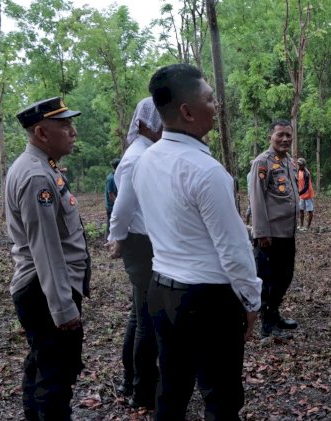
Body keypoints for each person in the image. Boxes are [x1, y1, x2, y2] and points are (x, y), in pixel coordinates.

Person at [132, 64, 261, 420]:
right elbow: (234, 250)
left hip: (162, 291)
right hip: (207, 300)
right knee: (220, 397)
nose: (215, 104)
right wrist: (251, 300)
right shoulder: (206, 172)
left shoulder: (146, 161)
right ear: (187, 112)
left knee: (171, 389)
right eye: (209, 98)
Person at [6, 97, 90, 419]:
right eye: (64, 125)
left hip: (44, 288)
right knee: (56, 376)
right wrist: (63, 308)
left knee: (42, 363)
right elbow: (46, 249)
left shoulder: (41, 166)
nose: (73, 131)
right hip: (46, 290)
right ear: (42, 133)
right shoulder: (36, 177)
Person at [106, 97, 163, 409]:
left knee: (138, 316)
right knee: (147, 322)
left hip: (143, 243)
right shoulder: (137, 157)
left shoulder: (146, 152)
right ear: (143, 123)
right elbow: (121, 208)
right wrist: (117, 239)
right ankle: (142, 391)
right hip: (141, 245)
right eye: (160, 120)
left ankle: (131, 379)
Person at [249, 120, 299, 338]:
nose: (285, 139)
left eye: (288, 135)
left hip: (287, 232)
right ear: (271, 136)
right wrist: (261, 232)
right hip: (270, 234)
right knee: (268, 279)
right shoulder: (262, 162)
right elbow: (256, 199)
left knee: (285, 276)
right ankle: (267, 325)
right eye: (280, 135)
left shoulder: (289, 162)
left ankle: (275, 314)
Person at [297, 157, 315, 231]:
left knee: (309, 210)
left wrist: (298, 193)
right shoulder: (298, 170)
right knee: (301, 210)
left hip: (308, 194)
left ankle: (308, 227)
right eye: (298, 164)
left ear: (303, 165)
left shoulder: (306, 173)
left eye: (300, 165)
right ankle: (301, 225)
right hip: (301, 194)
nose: (299, 166)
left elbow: (306, 187)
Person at [105, 158, 119, 239]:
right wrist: (118, 204)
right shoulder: (111, 178)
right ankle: (108, 242)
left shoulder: (115, 176)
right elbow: (111, 195)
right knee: (110, 226)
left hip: (113, 205)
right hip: (111, 206)